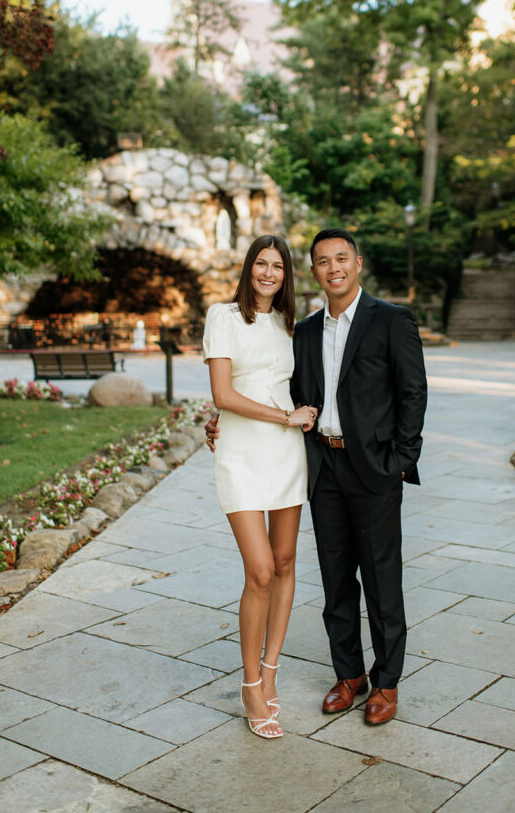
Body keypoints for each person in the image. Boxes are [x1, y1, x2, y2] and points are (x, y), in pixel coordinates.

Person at [207, 228, 427, 726]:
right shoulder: (301, 329)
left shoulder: (391, 320)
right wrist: (220, 415)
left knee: (381, 579)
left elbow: (413, 393)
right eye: (323, 261)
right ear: (313, 271)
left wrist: (400, 460)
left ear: (358, 263)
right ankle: (349, 675)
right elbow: (282, 391)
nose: (334, 268)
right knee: (335, 582)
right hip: (320, 465)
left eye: (342, 258)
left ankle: (386, 682)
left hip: (373, 469)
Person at [202, 235, 317, 740]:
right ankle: (250, 684)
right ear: (248, 268)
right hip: (242, 454)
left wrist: (298, 420)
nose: (269, 273)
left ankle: (271, 672)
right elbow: (223, 393)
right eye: (261, 264)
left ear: (286, 275)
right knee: (261, 569)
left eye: (278, 266)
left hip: (287, 456)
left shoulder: (293, 325)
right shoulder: (222, 317)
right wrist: (284, 418)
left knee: (287, 562)